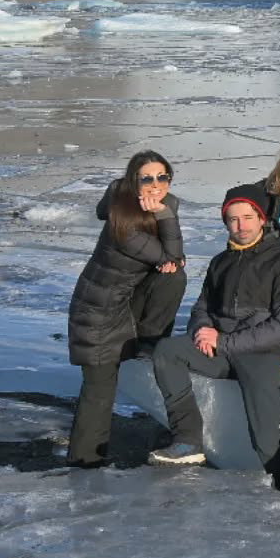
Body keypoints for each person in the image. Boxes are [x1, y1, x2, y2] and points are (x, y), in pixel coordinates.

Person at [148, 185, 280, 474]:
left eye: (247, 217)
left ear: (261, 218)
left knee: (265, 439)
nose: (240, 225)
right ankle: (187, 439)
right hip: (220, 351)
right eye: (233, 219)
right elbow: (202, 307)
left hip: (263, 354)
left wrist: (224, 341)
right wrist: (203, 329)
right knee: (168, 352)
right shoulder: (221, 262)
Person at [66, 151, 186, 468]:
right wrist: (166, 216)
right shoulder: (124, 220)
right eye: (147, 178)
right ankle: (84, 464)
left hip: (127, 302)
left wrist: (163, 214)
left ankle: (149, 340)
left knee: (174, 280)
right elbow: (170, 256)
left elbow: (174, 264)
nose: (155, 185)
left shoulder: (159, 206)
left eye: (162, 177)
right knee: (99, 387)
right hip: (99, 313)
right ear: (134, 182)